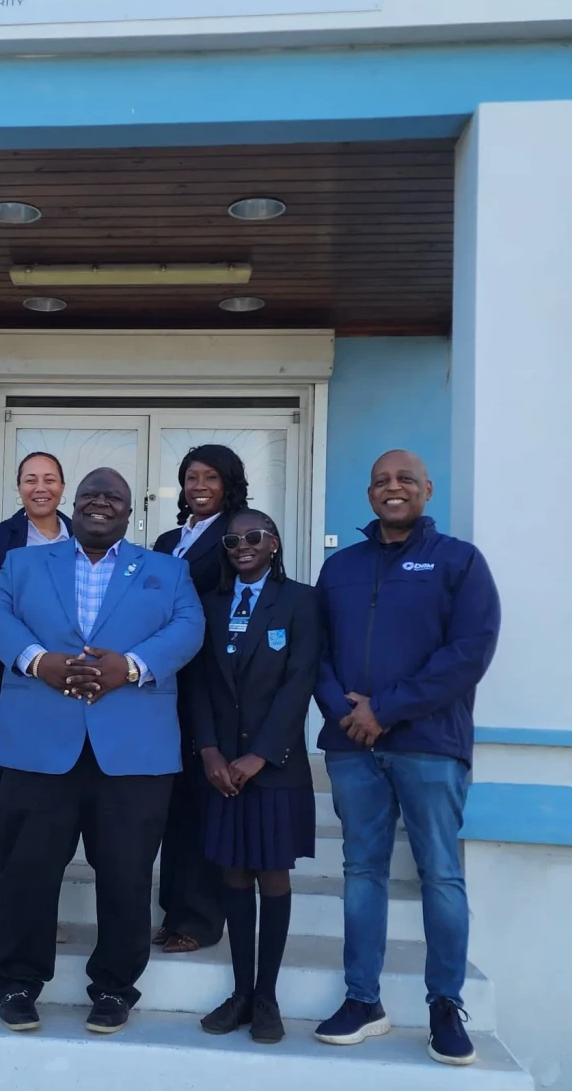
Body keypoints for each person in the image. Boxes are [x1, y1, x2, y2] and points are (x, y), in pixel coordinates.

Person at [0, 467, 205, 1035]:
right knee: (28, 870)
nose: (101, 503)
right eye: (91, 495)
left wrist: (130, 667)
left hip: (133, 749)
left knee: (127, 874)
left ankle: (113, 987)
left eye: (114, 497)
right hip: (37, 743)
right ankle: (18, 982)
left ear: (130, 511)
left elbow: (189, 627)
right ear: (73, 505)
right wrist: (39, 662)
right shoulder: (23, 563)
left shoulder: (167, 570)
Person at [313, 450, 500, 1066]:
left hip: (430, 745)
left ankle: (444, 1005)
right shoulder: (340, 567)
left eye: (405, 480)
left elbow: (469, 652)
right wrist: (346, 711)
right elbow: (317, 652)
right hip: (352, 746)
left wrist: (386, 709)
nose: (392, 488)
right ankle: (362, 1000)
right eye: (381, 481)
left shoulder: (459, 561)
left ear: (426, 489)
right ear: (369, 493)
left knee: (440, 874)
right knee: (361, 872)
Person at [187, 509, 319, 1044]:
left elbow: (299, 683)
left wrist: (260, 756)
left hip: (275, 767)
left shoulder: (301, 601)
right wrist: (209, 752)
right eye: (233, 540)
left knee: (272, 875)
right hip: (222, 768)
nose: (243, 546)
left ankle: (267, 998)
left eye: (254, 537)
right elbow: (197, 683)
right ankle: (241, 994)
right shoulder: (211, 605)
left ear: (274, 543)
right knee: (235, 876)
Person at [152, 444, 249, 953]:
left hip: (213, 678)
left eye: (211, 477)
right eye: (191, 477)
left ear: (229, 482)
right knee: (174, 804)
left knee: (204, 801)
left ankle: (201, 920)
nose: (199, 486)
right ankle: (174, 910)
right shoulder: (169, 540)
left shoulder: (239, 531)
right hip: (165, 681)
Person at [0, 452, 72, 906]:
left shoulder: (82, 536)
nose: (40, 487)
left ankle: (42, 899)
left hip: (65, 685)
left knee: (56, 788)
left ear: (63, 488)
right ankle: (5, 898)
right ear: (18, 488)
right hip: (4, 681)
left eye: (49, 479)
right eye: (30, 479)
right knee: (5, 786)